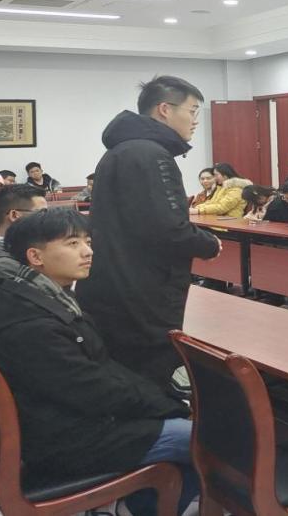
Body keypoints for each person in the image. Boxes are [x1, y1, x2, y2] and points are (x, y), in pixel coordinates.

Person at [0, 209, 198, 516]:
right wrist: (172, 407)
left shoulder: (19, 292)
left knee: (178, 414)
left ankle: (140, 505)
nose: (88, 251)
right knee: (205, 438)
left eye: (88, 242)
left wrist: (163, 402)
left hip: (51, 421)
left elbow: (94, 373)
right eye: (73, 243)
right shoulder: (31, 324)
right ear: (35, 256)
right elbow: (93, 389)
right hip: (64, 441)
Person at [76, 75, 221, 389]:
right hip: (141, 294)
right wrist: (210, 244)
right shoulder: (151, 155)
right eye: (192, 111)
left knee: (122, 375)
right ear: (165, 109)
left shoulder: (121, 151)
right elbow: (168, 228)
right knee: (149, 379)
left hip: (114, 284)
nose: (195, 121)